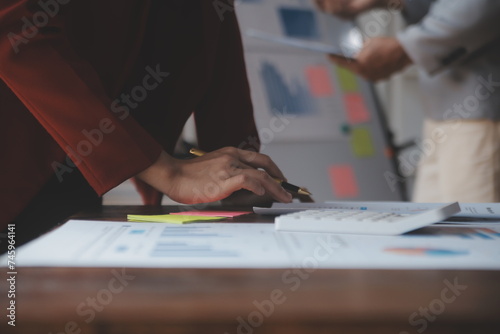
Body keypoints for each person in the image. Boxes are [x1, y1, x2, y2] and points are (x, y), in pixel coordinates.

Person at [0, 0, 292, 249]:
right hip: (16, 175)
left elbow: (216, 41)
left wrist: (241, 175)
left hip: (80, 191)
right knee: (17, 308)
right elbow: (15, 30)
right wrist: (168, 170)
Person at [315, 0, 500, 202]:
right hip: (443, 115)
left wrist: (407, 47)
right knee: (433, 229)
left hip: (479, 115)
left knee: (476, 229)